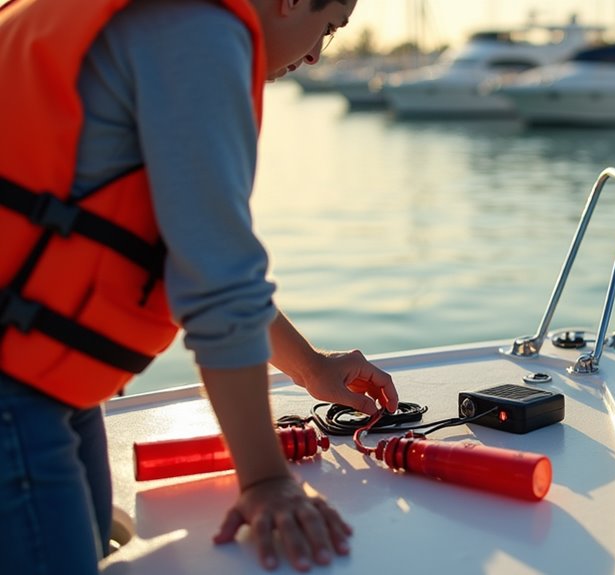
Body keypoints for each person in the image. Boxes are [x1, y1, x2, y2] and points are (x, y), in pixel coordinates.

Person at [0, 0, 397, 572]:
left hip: (44, 378)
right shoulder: (197, 34)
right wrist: (263, 480)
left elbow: (185, 254)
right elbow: (217, 283)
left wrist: (309, 367)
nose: (315, 55)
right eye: (329, 27)